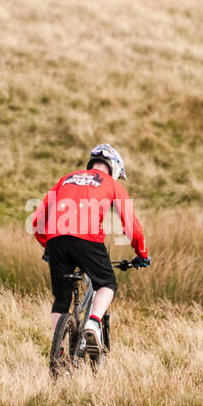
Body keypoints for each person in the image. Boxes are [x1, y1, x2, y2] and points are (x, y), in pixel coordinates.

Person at [32, 144, 151, 355]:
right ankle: (93, 324)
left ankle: (58, 354)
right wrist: (141, 254)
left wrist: (48, 245)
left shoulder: (66, 179)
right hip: (87, 238)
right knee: (107, 283)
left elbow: (37, 220)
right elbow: (131, 225)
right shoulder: (111, 184)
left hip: (56, 240)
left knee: (62, 298)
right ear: (114, 168)